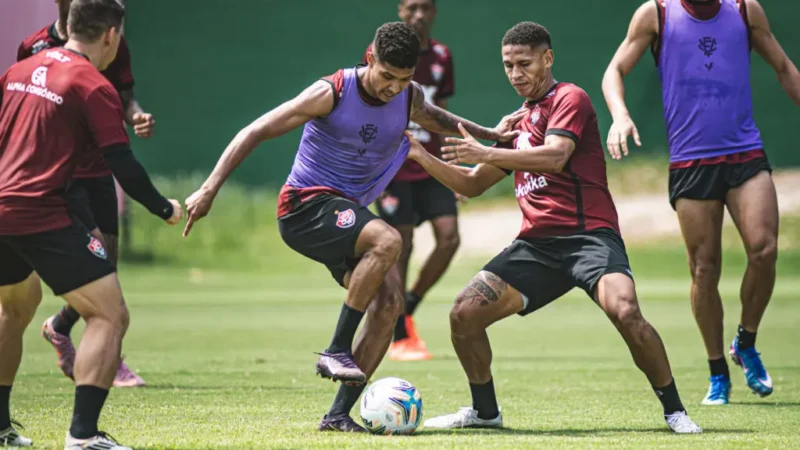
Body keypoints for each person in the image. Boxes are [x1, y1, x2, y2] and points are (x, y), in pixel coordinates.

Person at [183, 22, 517, 432]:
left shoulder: (408, 96)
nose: (393, 87)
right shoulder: (331, 92)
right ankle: (336, 348)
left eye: (404, 79)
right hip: (304, 206)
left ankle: (338, 415)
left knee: (388, 307)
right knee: (388, 239)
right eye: (387, 76)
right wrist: (208, 189)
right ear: (370, 58)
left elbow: (435, 117)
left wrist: (491, 135)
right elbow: (255, 131)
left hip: (343, 213)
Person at [412, 22, 702, 433]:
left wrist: (486, 149)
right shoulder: (516, 122)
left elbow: (555, 156)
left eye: (524, 63)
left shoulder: (570, 98)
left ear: (547, 59)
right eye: (508, 65)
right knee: (463, 314)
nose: (516, 74)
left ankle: (674, 410)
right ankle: (485, 413)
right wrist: (420, 155)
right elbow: (472, 184)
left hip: (589, 238)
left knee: (626, 311)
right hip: (537, 247)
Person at [0, 0, 182, 448]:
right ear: (111, 36)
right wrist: (165, 208)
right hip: (41, 212)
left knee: (13, 309)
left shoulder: (19, 70)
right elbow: (122, 163)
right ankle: (83, 436)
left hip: (2, 207)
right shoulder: (91, 83)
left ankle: (1, 427)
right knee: (108, 313)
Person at [602, 0, 800, 404]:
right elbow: (614, 71)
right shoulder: (656, 14)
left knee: (764, 250)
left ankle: (746, 341)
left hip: (745, 153)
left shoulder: (746, 11)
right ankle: (717, 372)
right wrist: (620, 115)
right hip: (692, 162)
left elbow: (783, 67)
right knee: (704, 269)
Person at [17, 0, 156, 388]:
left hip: (99, 169)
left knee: (106, 264)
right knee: (89, 268)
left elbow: (125, 98)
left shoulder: (110, 37)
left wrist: (136, 116)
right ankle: (106, 363)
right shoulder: (34, 46)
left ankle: (62, 327)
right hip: (59, 174)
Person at [363, 0, 458, 362]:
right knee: (400, 245)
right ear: (400, 10)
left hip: (429, 162)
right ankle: (400, 333)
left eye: (426, 8)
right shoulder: (380, 52)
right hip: (394, 166)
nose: (419, 15)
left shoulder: (441, 56)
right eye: (412, 7)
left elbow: (443, 112)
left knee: (449, 238)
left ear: (434, 12)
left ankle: (409, 306)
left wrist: (451, 165)